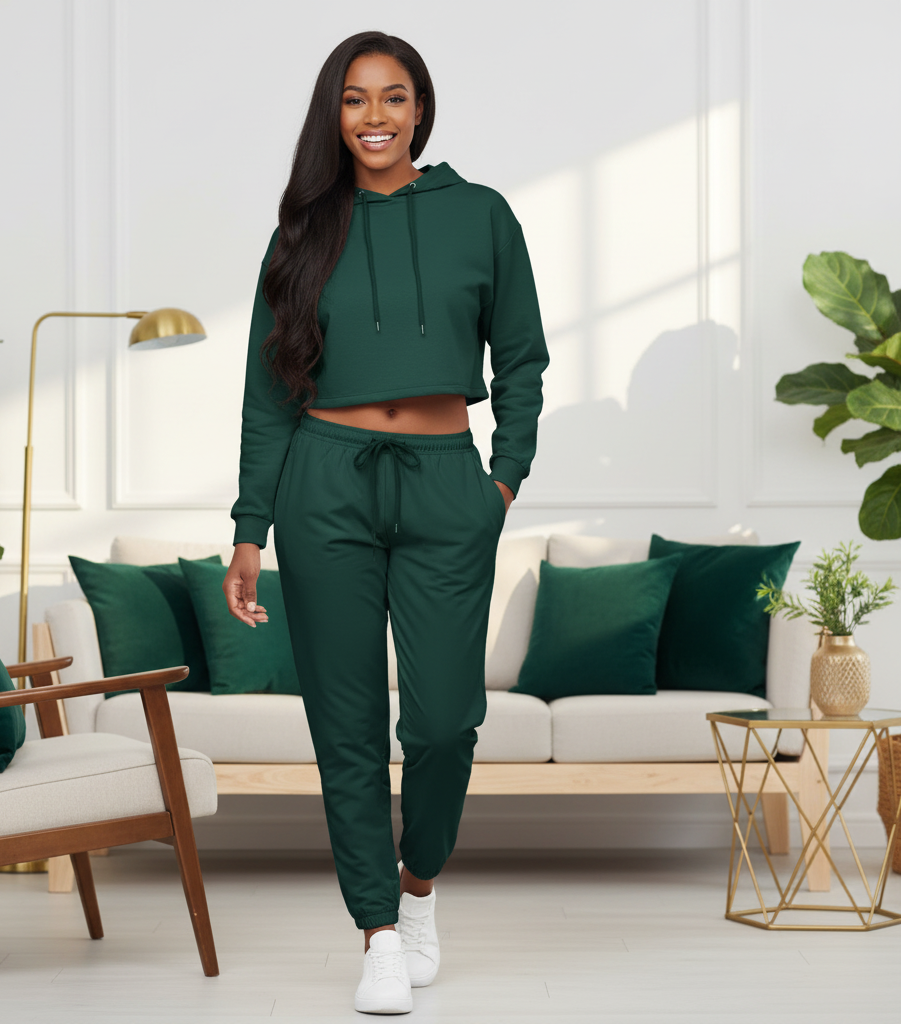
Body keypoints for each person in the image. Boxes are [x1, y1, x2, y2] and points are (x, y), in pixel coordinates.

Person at [223, 30, 549, 1015]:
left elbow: (523, 360)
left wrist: (500, 482)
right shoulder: (300, 235)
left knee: (446, 720)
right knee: (347, 721)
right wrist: (249, 526)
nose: (374, 117)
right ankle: (373, 929)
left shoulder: (481, 216)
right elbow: (265, 393)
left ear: (420, 108)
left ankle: (417, 889)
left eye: (393, 97)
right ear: (334, 114)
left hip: (448, 482)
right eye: (355, 99)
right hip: (324, 482)